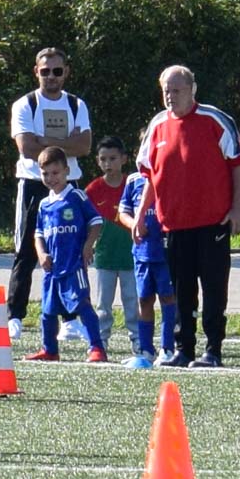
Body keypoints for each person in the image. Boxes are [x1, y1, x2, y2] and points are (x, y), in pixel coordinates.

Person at [134, 65, 240, 368]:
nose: (170, 96)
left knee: (214, 288)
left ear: (192, 90)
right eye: (166, 91)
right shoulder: (157, 125)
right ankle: (183, 349)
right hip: (174, 224)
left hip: (213, 222)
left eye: (177, 90)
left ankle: (213, 350)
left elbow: (239, 163)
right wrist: (140, 215)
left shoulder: (215, 119)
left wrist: (237, 208)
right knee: (181, 290)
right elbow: (150, 175)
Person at [7, 47, 92, 340]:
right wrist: (64, 143)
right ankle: (15, 316)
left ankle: (70, 318)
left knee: (69, 251)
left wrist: (45, 141)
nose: (51, 76)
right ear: (36, 72)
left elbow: (84, 146)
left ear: (66, 72)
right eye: (45, 71)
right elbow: (27, 148)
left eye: (57, 71)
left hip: (70, 186)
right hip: (33, 184)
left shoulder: (76, 104)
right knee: (26, 251)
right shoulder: (25, 105)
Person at [25, 146, 108, 363]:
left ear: (66, 171)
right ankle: (49, 350)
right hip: (52, 269)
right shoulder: (44, 204)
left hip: (73, 265)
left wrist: (88, 245)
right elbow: (39, 233)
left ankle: (97, 348)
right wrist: (41, 253)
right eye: (45, 174)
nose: (51, 178)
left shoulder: (76, 196)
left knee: (82, 305)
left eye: (55, 173)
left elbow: (96, 222)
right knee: (47, 311)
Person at [117, 153, 177, 369]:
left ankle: (167, 348)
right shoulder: (133, 180)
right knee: (144, 300)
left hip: (165, 251)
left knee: (168, 297)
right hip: (142, 252)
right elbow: (123, 212)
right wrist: (135, 223)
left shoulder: (171, 174)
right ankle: (145, 350)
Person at [84, 136, 140, 358]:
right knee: (103, 305)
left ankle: (138, 342)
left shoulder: (132, 185)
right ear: (98, 161)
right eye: (103, 159)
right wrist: (87, 245)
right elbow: (85, 221)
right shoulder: (93, 190)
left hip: (131, 256)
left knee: (132, 302)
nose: (108, 163)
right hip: (105, 257)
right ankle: (100, 343)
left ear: (124, 159)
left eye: (113, 158)